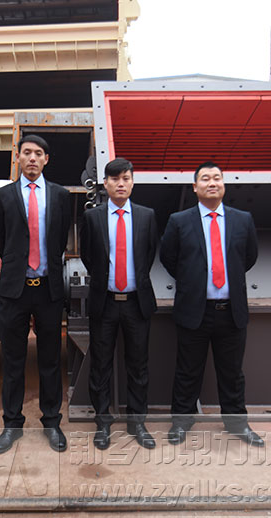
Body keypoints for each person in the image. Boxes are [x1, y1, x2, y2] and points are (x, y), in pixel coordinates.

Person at [159, 161, 263, 447]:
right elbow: (168, 257)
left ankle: (237, 424)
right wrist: (193, 279)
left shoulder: (242, 220)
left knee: (232, 373)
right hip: (195, 310)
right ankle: (181, 422)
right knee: (187, 371)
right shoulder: (179, 221)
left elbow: (249, 257)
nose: (212, 183)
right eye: (205, 179)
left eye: (217, 178)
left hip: (231, 311)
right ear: (195, 187)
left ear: (224, 184)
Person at [0, 134, 72, 454]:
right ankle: (12, 424)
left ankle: (51, 422)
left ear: (46, 159)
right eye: (27, 153)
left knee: (50, 360)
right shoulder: (5, 196)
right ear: (18, 157)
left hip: (48, 290)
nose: (33, 158)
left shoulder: (60, 195)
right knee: (13, 360)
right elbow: (0, 240)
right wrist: (18, 265)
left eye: (39, 153)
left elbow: (60, 240)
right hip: (15, 290)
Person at [80, 158, 159, 450]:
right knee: (100, 365)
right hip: (105, 303)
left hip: (137, 303)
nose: (120, 184)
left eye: (125, 178)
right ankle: (103, 422)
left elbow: (149, 253)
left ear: (132, 182)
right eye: (114, 179)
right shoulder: (92, 217)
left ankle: (137, 422)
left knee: (138, 365)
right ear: (105, 184)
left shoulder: (147, 216)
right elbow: (88, 256)